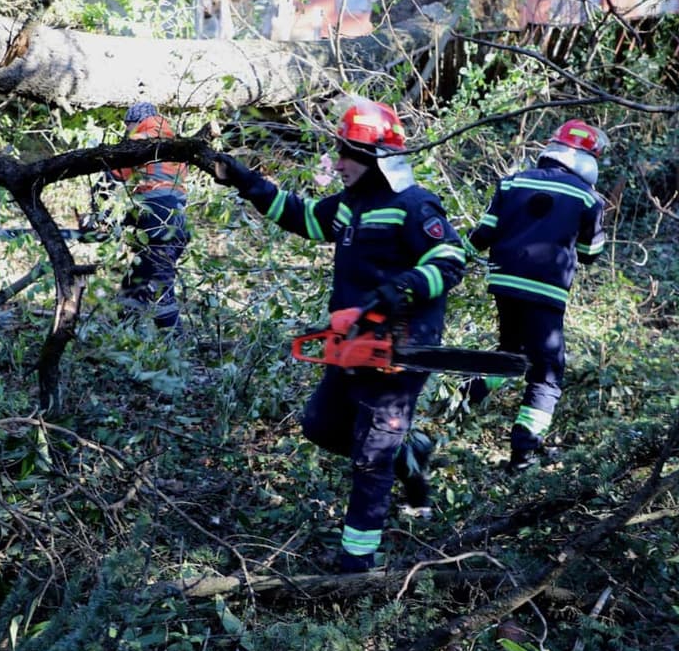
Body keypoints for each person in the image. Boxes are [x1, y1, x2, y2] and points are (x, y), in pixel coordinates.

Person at [210, 100, 466, 573]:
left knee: (370, 459)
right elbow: (305, 217)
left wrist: (399, 289)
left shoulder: (414, 205)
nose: (339, 162)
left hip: (400, 348)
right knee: (321, 426)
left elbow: (451, 260)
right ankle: (408, 454)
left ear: (376, 159)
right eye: (339, 151)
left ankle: (357, 562)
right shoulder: (352, 205)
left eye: (347, 154)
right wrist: (246, 183)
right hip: (352, 344)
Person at [465, 119, 607, 475]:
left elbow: (483, 233)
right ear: (588, 159)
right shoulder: (589, 198)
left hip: (503, 282)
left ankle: (462, 399)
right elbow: (592, 253)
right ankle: (523, 457)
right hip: (546, 290)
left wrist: (452, 260)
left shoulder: (513, 181)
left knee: (511, 352)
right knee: (547, 373)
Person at [92, 102, 190, 330]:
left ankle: (176, 345)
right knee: (135, 279)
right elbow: (161, 193)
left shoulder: (140, 139)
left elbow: (112, 179)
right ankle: (123, 331)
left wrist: (100, 213)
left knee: (160, 288)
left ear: (135, 122)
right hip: (176, 220)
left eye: (128, 126)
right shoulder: (177, 145)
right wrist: (125, 220)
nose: (127, 131)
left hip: (157, 221)